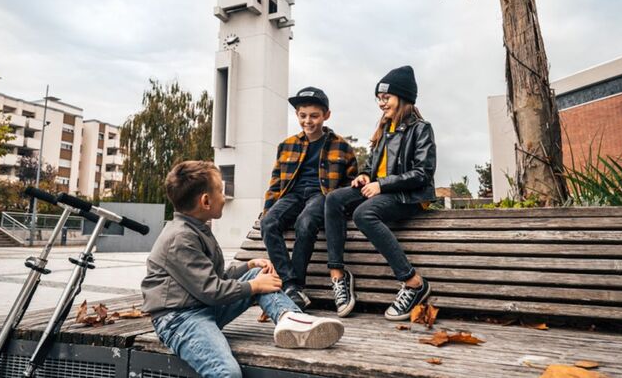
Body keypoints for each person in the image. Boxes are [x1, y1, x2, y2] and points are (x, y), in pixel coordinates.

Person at [141, 161, 344, 378]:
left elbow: (214, 279)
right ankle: (290, 318)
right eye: (220, 190)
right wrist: (254, 287)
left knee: (259, 275)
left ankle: (290, 319)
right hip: (179, 319)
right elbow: (212, 290)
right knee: (226, 372)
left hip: (200, 304)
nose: (224, 195)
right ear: (206, 201)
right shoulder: (181, 238)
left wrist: (248, 267)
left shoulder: (196, 228)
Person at [324, 66, 436, 320]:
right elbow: (373, 166)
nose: (381, 104)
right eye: (379, 99)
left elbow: (422, 174)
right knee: (333, 199)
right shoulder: (385, 130)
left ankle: (414, 283)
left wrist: (382, 185)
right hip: (383, 190)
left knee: (364, 213)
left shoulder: (421, 129)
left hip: (410, 196)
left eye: (386, 98)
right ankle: (338, 276)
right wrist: (365, 175)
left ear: (402, 97)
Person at [260, 87, 358, 309]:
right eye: (303, 116)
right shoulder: (286, 146)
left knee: (306, 222)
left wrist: (340, 210)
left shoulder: (341, 146)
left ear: (326, 115)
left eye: (314, 116)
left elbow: (349, 184)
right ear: (297, 115)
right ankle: (291, 285)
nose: (308, 121)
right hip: (293, 195)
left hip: (322, 195)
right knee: (268, 223)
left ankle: (295, 286)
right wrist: (268, 209)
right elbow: (276, 183)